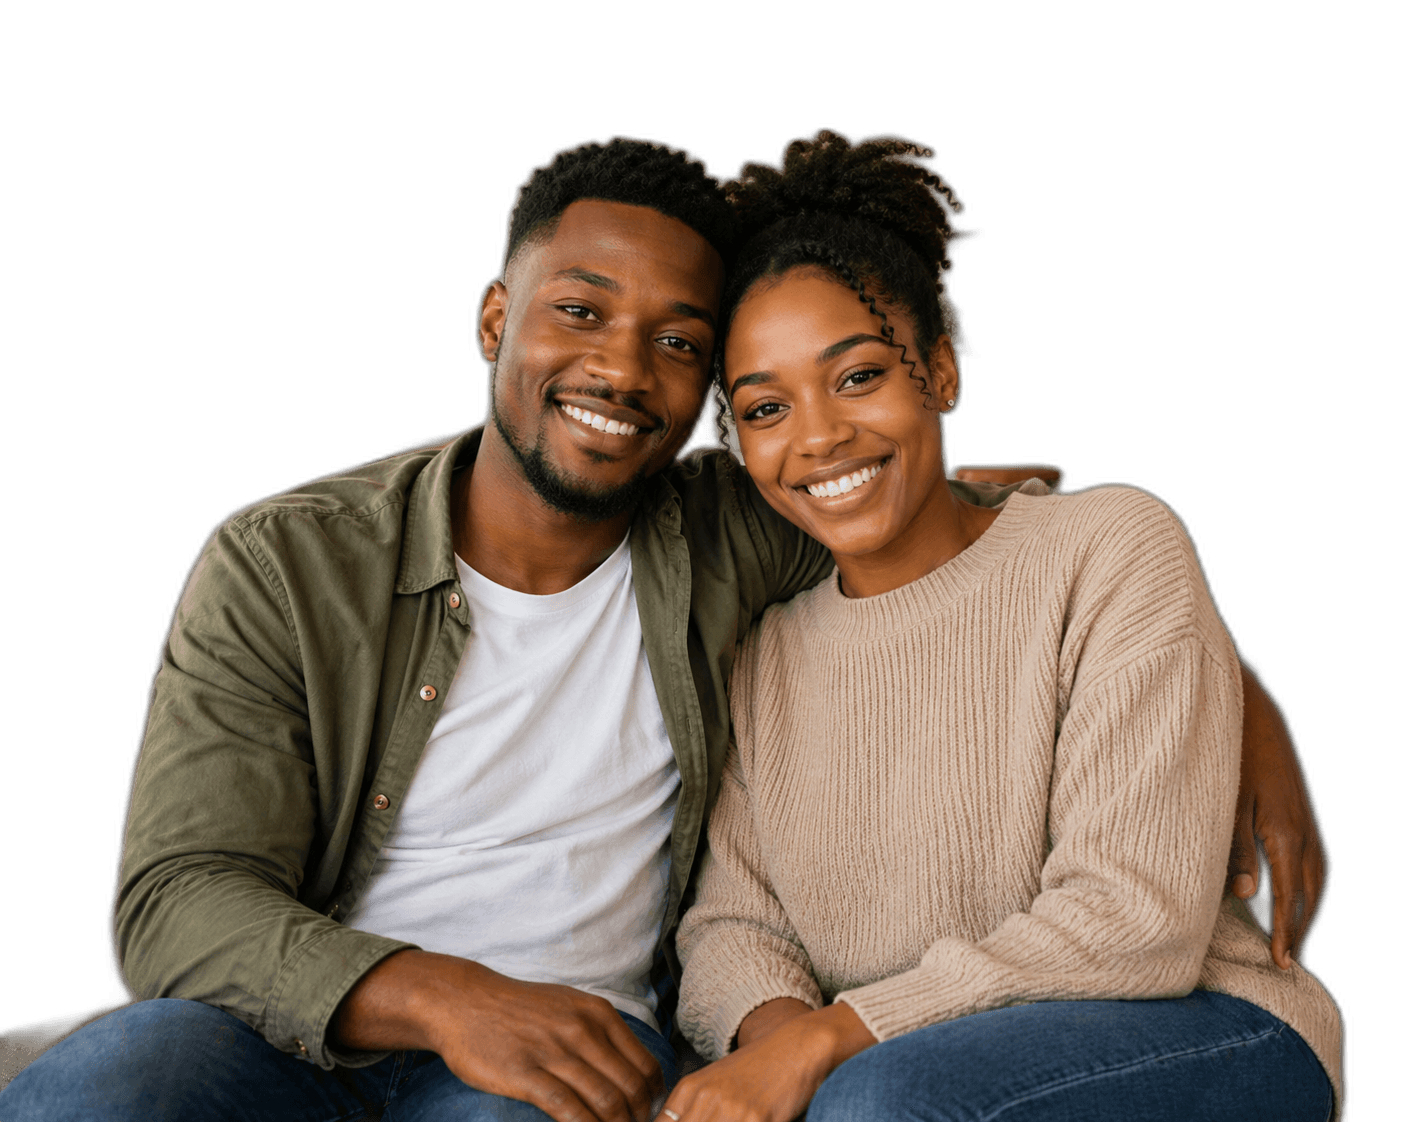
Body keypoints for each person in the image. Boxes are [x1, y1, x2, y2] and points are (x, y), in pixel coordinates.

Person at [0, 134, 1328, 1122]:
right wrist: (464, 996)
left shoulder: (735, 536)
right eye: (579, 310)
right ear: (493, 317)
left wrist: (1233, 694)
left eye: (678, 341)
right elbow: (177, 900)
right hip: (305, 1035)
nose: (622, 369)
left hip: (605, 1056)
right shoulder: (291, 560)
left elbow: (997, 511)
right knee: (119, 1073)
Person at [663, 130, 1343, 1122]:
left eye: (858, 377)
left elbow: (1132, 922)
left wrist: (832, 1042)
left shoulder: (1109, 548)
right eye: (766, 408)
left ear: (939, 369)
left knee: (882, 1105)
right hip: (887, 1068)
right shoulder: (768, 653)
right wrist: (782, 1048)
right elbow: (730, 923)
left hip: (1201, 1021)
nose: (817, 436)